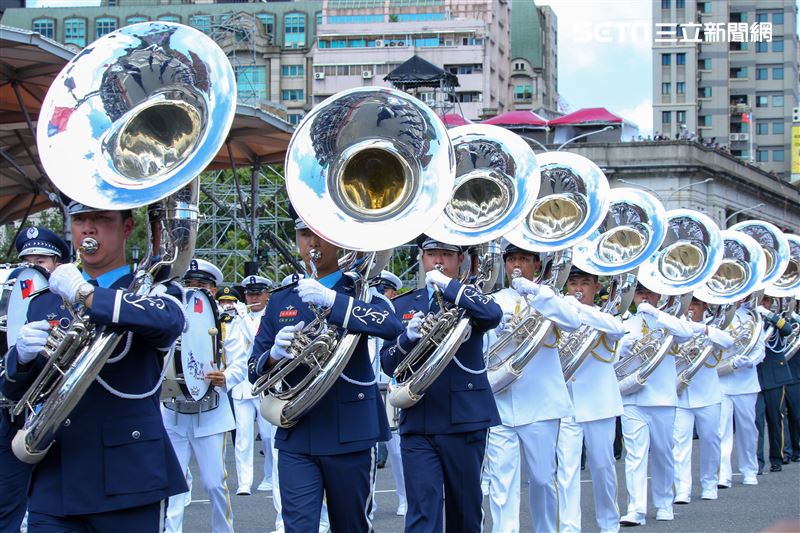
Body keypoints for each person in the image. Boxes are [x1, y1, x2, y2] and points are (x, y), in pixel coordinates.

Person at [1, 201, 187, 531]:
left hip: (128, 478)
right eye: (80, 219)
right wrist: (22, 360)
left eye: (101, 218)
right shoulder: (45, 300)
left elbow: (168, 320)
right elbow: (16, 394)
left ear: (127, 227)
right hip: (57, 476)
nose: (88, 228)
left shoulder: (151, 289)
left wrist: (85, 293)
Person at [249, 211, 403, 533]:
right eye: (305, 235)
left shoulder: (360, 292)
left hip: (351, 432)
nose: (313, 243)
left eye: (321, 234)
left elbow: (390, 327)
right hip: (297, 432)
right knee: (298, 527)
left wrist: (333, 300)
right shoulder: (280, 300)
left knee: (352, 527)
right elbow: (254, 368)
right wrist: (274, 356)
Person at [381, 235, 502, 533]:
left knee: (465, 512)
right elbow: (388, 362)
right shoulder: (404, 304)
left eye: (446, 255)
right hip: (419, 419)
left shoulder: (470, 299)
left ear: (461, 259)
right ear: (421, 258)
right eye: (431, 253)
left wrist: (450, 287)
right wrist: (406, 339)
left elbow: (493, 314)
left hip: (465, 419)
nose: (438, 261)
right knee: (422, 511)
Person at [483, 244, 580, 533]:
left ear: (536, 265)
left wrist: (538, 295)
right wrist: (496, 330)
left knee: (541, 479)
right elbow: (482, 349)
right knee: (502, 482)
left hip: (541, 403)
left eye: (524, 259)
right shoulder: (495, 300)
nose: (516, 264)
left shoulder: (551, 297)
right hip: (501, 400)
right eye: (511, 259)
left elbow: (573, 322)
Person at [162, 258, 248, 533]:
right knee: (172, 485)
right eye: (189, 284)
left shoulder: (227, 323)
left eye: (201, 286)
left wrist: (227, 377)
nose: (194, 290)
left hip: (210, 412)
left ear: (212, 290)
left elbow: (241, 360)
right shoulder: (169, 317)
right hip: (173, 410)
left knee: (214, 483)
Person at [0, 226, 69, 533]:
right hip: (11, 413)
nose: (32, 267)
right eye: (27, 260)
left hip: (53, 414)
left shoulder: (70, 302)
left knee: (51, 503)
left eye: (41, 261)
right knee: (6, 504)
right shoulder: (9, 301)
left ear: (56, 266)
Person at [617, 283, 693, 526]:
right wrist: (622, 348)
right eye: (640, 293)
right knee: (635, 455)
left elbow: (686, 333)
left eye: (649, 293)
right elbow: (610, 357)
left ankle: (663, 503)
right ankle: (635, 509)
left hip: (661, 398)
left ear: (659, 294)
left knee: (662, 453)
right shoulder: (625, 324)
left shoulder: (669, 321)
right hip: (631, 398)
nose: (644, 297)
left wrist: (657, 314)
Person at [556, 267, 625, 533]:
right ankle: (570, 527)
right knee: (567, 469)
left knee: (602, 467)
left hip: (599, 404)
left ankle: (609, 524)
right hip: (566, 403)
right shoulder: (558, 314)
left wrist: (578, 309)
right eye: (573, 283)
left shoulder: (605, 316)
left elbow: (617, 329)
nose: (578, 289)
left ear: (596, 288)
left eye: (585, 283)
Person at [672, 297, 733, 504]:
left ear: (704, 307)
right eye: (688, 304)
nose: (690, 309)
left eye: (695, 305)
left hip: (708, 395)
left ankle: (709, 483)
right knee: (680, 444)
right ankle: (682, 489)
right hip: (680, 395)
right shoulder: (676, 325)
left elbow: (728, 342)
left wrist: (702, 329)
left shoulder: (712, 327)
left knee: (711, 441)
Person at [231, 275, 274, 495]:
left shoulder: (268, 316)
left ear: (267, 295)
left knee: (267, 436)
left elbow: (257, 339)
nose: (253, 298)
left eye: (257, 293)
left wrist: (242, 317)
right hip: (241, 385)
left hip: (263, 383)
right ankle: (244, 481)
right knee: (243, 437)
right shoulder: (237, 316)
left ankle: (269, 475)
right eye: (249, 294)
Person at [370, 270, 407, 516]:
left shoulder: (397, 312)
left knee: (397, 449)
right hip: (366, 385)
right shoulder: (363, 308)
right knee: (366, 449)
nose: (380, 294)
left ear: (393, 292)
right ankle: (367, 504)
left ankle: (405, 498)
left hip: (389, 383)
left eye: (384, 290)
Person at [718, 300, 765, 487]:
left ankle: (749, 470)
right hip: (720, 380)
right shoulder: (715, 316)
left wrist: (749, 361)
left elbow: (760, 349)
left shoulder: (751, 318)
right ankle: (723, 473)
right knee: (721, 430)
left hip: (745, 382)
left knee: (747, 429)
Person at [754, 295, 794, 473]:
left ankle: (777, 457)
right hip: (755, 377)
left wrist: (769, 315)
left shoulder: (775, 320)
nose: (763, 304)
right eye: (761, 300)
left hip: (775, 376)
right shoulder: (750, 321)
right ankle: (757, 462)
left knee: (776, 418)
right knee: (756, 421)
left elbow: (787, 329)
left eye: (767, 301)